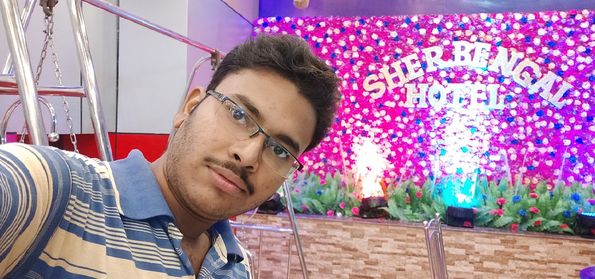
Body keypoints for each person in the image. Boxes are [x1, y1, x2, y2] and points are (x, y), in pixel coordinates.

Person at [0, 34, 340, 278]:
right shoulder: (53, 191)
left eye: (279, 149)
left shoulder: (234, 265)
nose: (248, 154)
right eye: (239, 115)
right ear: (189, 107)